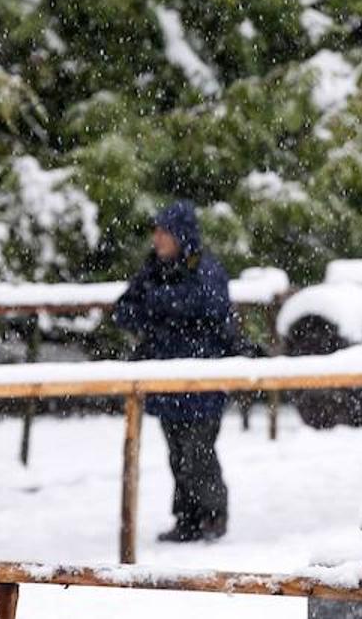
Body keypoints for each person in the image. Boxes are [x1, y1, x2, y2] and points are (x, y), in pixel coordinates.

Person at [113, 200, 234, 542]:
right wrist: (163, 308)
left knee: (198, 451)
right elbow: (124, 310)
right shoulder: (153, 270)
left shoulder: (204, 268)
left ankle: (212, 515)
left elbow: (206, 305)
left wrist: (158, 307)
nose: (158, 239)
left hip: (202, 379)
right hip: (167, 381)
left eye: (164, 232)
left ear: (181, 234)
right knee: (178, 453)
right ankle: (188, 519)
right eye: (157, 231)